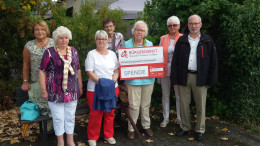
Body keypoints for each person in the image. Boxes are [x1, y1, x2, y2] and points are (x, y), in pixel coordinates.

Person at [171, 14, 218, 141]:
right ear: (188, 25)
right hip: (183, 76)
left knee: (201, 105)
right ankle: (185, 127)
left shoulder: (207, 40)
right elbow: (175, 61)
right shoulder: (182, 40)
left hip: (201, 78)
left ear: (200, 24)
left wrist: (210, 80)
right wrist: (174, 79)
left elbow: (214, 62)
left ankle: (199, 129)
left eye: (196, 23)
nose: (193, 26)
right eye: (191, 23)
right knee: (184, 104)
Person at [39, 26, 83, 146]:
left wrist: (80, 87)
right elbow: (42, 71)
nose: (64, 40)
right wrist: (43, 91)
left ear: (69, 39)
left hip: (72, 90)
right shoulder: (49, 52)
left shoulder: (73, 51)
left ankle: (70, 140)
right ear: (56, 39)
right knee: (58, 118)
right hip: (54, 91)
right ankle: (60, 142)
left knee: (70, 117)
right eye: (61, 38)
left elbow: (77, 69)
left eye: (66, 38)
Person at [85, 30, 119, 146]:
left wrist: (113, 81)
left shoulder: (112, 54)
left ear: (107, 41)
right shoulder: (91, 54)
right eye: (99, 39)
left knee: (110, 113)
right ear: (95, 40)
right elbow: (89, 72)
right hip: (95, 89)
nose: (101, 41)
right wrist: (102, 83)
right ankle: (93, 137)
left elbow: (116, 70)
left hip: (112, 88)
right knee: (95, 114)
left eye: (104, 39)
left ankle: (109, 135)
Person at [123, 20, 155, 140]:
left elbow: (154, 61)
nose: (139, 32)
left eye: (141, 30)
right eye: (137, 29)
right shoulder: (126, 44)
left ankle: (146, 126)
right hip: (133, 81)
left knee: (145, 105)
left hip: (148, 80)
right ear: (133, 31)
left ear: (145, 32)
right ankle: (131, 128)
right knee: (134, 106)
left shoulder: (150, 44)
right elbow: (123, 60)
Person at [21, 20, 55, 116]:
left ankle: (55, 129)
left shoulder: (54, 43)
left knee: (55, 108)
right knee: (44, 109)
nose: (40, 32)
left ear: (47, 30)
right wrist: (25, 81)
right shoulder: (29, 46)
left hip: (54, 82)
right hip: (37, 82)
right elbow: (26, 65)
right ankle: (47, 130)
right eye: (37, 29)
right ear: (33, 32)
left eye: (42, 29)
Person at [158, 16, 183, 127]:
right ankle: (166, 118)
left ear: (179, 26)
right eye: (170, 25)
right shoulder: (163, 38)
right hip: (164, 70)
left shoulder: (183, 38)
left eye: (174, 25)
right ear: (168, 27)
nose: (172, 27)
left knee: (179, 96)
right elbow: (158, 54)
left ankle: (180, 118)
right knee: (165, 95)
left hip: (178, 72)